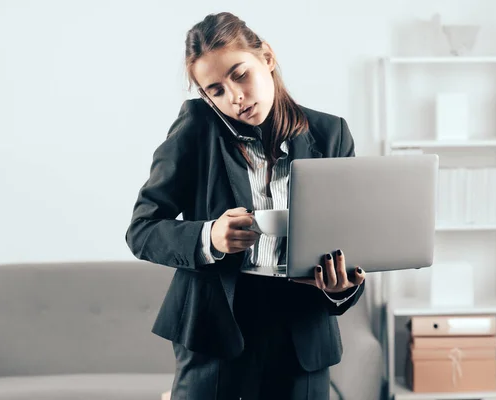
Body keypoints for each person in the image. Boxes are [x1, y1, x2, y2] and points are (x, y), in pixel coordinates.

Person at [126, 11, 366, 400]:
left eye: (240, 75)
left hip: (302, 334)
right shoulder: (197, 129)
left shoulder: (331, 133)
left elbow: (351, 237)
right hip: (215, 331)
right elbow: (142, 230)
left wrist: (341, 287)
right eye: (215, 90)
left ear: (267, 58)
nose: (234, 97)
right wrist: (210, 236)